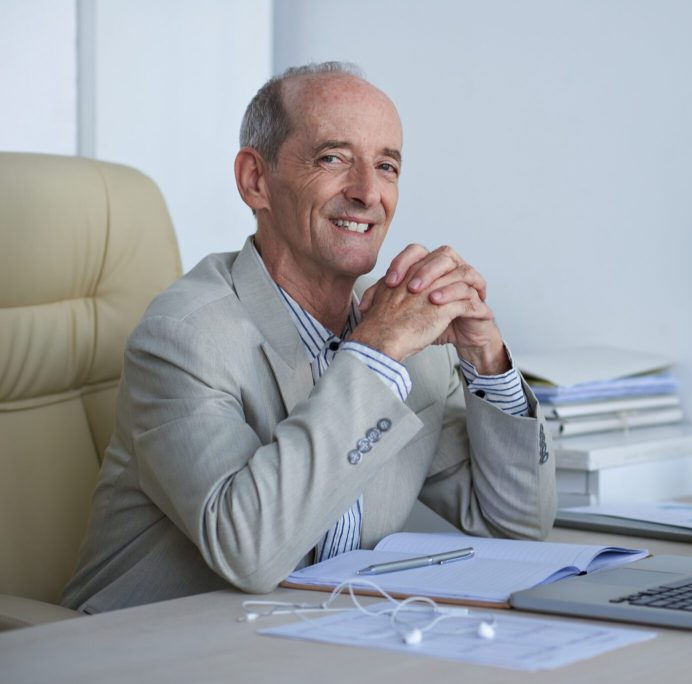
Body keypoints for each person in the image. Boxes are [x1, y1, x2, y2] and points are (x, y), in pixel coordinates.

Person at [60, 62, 556, 613]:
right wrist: (376, 355)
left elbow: (516, 523)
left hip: (324, 642)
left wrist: (487, 362)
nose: (368, 192)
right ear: (256, 180)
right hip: (151, 654)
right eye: (333, 158)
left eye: (387, 166)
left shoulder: (409, 342)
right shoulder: (182, 338)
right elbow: (250, 553)